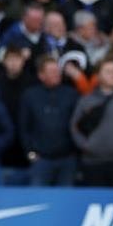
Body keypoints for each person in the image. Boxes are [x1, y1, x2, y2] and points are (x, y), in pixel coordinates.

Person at [18, 55, 80, 186]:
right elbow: (24, 127)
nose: (56, 74)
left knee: (66, 200)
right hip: (41, 159)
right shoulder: (30, 95)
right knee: (37, 199)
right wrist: (30, 152)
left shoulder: (71, 94)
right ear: (41, 75)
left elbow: (79, 124)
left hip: (67, 158)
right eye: (51, 72)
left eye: (57, 71)